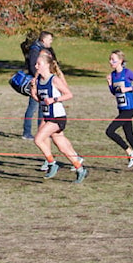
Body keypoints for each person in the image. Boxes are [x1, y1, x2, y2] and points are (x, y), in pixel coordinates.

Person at [30, 48, 88, 183]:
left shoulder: (54, 80)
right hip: (47, 116)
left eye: (39, 64)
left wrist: (54, 100)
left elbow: (69, 94)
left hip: (57, 117)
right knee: (62, 147)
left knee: (38, 139)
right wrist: (33, 89)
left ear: (46, 65)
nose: (36, 66)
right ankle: (80, 169)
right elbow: (39, 99)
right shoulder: (38, 81)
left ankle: (52, 163)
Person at [105, 50, 133, 174]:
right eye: (110, 59)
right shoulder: (113, 75)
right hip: (121, 108)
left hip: (129, 109)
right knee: (130, 137)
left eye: (113, 60)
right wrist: (109, 84)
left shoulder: (127, 73)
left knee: (110, 131)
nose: (111, 62)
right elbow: (115, 92)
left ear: (120, 61)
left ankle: (130, 152)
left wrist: (128, 88)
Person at [21, 31, 53, 141]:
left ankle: (41, 131)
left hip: (43, 81)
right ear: (43, 40)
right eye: (50, 39)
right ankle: (26, 132)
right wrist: (37, 78)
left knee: (42, 108)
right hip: (36, 82)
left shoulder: (44, 50)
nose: (51, 42)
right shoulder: (35, 50)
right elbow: (33, 67)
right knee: (32, 107)